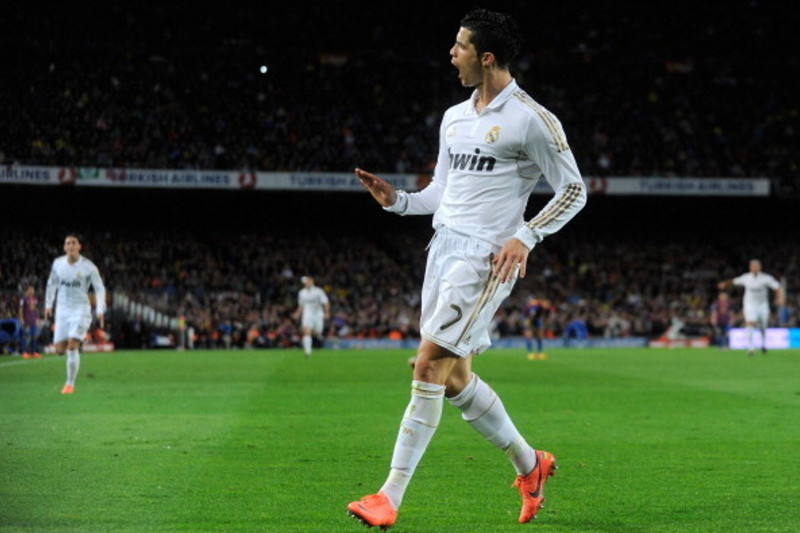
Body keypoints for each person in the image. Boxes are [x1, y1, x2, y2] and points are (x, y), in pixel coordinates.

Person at [348, 8, 587, 529]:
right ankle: (531, 465)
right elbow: (441, 194)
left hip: (484, 259)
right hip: (443, 249)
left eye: (458, 46)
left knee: (427, 366)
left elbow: (574, 190)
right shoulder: (454, 117)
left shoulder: (531, 119)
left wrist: (525, 236)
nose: (450, 54)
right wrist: (397, 201)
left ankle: (389, 495)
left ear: (486, 57)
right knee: (455, 378)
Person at [44, 234, 106, 394]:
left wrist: (100, 309)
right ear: (64, 248)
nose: (70, 246)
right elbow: (51, 285)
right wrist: (48, 304)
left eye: (73, 243)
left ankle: (69, 384)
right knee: (59, 350)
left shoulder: (89, 267)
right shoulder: (58, 264)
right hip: (62, 311)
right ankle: (79, 340)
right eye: (67, 243)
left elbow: (99, 288)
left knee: (72, 346)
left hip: (81, 310)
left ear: (79, 246)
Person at [718, 259, 783, 356]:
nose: (755, 268)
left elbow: (778, 287)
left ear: (760, 267)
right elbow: (734, 281)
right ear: (750, 268)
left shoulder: (766, 278)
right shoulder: (746, 278)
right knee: (750, 322)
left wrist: (780, 297)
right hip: (750, 304)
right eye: (753, 266)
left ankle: (764, 344)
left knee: (763, 325)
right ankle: (750, 347)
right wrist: (725, 284)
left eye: (756, 266)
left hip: (762, 305)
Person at [293, 276, 330, 357]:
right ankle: (308, 352)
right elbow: (301, 305)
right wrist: (297, 313)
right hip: (308, 313)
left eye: (308, 281)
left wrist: (327, 312)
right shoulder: (301, 292)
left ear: (312, 282)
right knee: (306, 331)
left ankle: (317, 335)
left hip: (318, 313)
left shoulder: (318, 291)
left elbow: (326, 302)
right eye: (305, 282)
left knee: (318, 332)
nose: (306, 283)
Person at [523, 295, 553, 360]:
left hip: (536, 319)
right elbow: (531, 315)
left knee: (539, 336)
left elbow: (545, 316)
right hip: (529, 319)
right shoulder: (535, 306)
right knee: (529, 335)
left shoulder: (544, 308)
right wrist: (529, 324)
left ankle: (539, 353)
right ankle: (530, 353)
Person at [18, 285, 42, 359]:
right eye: (30, 290)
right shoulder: (23, 299)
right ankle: (24, 352)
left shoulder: (35, 299)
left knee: (34, 337)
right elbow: (21, 309)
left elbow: (36, 309)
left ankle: (33, 352)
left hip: (33, 321)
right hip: (26, 320)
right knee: (26, 336)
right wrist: (21, 318)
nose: (32, 291)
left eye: (33, 290)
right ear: (27, 290)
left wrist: (37, 318)